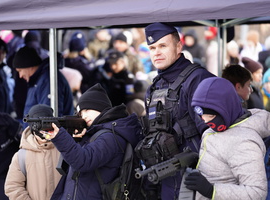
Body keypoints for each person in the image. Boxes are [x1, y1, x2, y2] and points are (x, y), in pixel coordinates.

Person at [142, 22, 215, 199]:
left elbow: (213, 133)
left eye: (162, 46)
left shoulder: (198, 79)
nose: (156, 52)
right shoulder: (154, 88)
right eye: (152, 48)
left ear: (178, 46)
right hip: (166, 178)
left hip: (198, 177)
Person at [47, 83, 142, 200]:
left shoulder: (110, 137)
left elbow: (83, 161)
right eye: (81, 113)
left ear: (100, 107)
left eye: (87, 110)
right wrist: (77, 140)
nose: (84, 116)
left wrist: (60, 136)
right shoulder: (96, 133)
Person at [185, 77, 268, 199]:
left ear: (227, 109)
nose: (205, 121)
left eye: (211, 115)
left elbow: (256, 192)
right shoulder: (215, 129)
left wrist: (211, 190)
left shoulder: (243, 142)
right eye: (201, 116)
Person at [5, 104, 62, 200]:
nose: (44, 131)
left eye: (47, 125)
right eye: (40, 126)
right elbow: (13, 187)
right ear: (32, 128)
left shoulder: (65, 149)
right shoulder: (22, 156)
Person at [12, 45, 74, 118]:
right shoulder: (37, 80)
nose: (20, 75)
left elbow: (49, 118)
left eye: (20, 71)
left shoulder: (47, 81)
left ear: (29, 66)